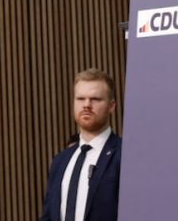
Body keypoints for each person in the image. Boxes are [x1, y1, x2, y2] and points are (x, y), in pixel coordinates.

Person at [38, 69, 122, 221]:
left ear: (112, 106)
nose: (87, 105)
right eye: (80, 98)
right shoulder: (60, 161)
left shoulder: (124, 155)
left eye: (95, 99)